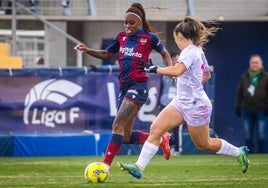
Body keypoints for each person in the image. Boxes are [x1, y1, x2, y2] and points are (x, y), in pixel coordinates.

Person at [118, 16, 249, 179]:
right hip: (182, 101)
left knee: (204, 144)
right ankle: (139, 167)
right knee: (156, 129)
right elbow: (206, 74)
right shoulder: (198, 50)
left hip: (196, 105)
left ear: (180, 37)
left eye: (175, 38)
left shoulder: (189, 52)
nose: (176, 42)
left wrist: (154, 69)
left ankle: (239, 152)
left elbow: (177, 71)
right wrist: (190, 82)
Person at [74, 3, 172, 170]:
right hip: (125, 87)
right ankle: (161, 139)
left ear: (139, 23)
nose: (127, 26)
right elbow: (107, 53)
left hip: (139, 86)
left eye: (131, 23)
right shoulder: (121, 37)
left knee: (117, 125)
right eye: (125, 22)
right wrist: (87, 50)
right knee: (125, 136)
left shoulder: (149, 38)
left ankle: (104, 167)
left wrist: (169, 69)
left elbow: (165, 53)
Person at [235, 54, 268, 153]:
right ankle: (250, 154)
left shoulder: (266, 77)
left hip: (261, 110)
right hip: (247, 110)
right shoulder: (244, 77)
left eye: (256, 62)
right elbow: (239, 92)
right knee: (247, 135)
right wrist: (238, 106)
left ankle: (262, 155)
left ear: (261, 64)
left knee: (261, 135)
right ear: (250, 64)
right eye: (252, 62)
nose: (254, 64)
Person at [159, 52, 183, 155]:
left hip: (178, 104)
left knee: (177, 128)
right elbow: (161, 88)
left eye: (177, 59)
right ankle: (170, 146)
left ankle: (178, 149)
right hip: (165, 102)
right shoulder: (165, 72)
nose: (174, 61)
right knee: (164, 127)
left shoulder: (182, 71)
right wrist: (158, 102)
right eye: (173, 59)